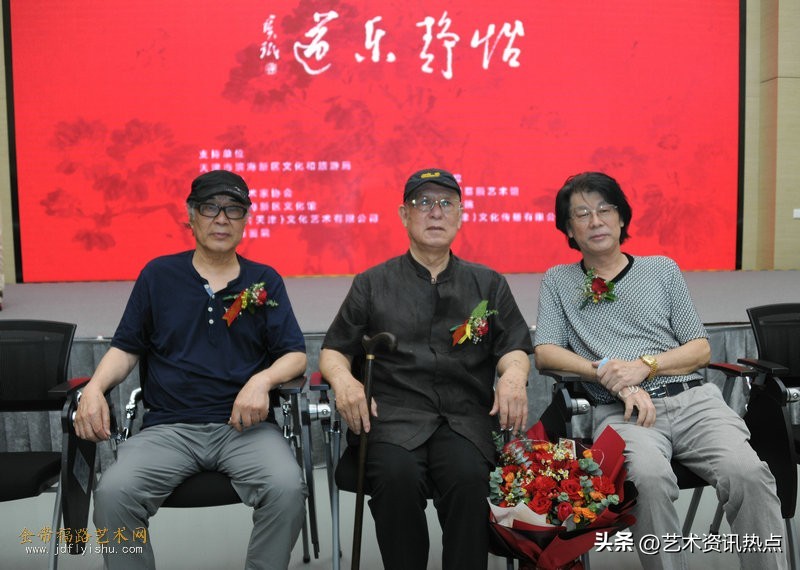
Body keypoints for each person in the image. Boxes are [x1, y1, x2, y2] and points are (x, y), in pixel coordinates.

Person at [533, 171, 786, 570]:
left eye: (605, 210)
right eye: (581, 214)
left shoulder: (661, 270)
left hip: (692, 401)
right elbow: (545, 352)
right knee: (647, 481)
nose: (595, 221)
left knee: (749, 474)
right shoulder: (559, 280)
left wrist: (645, 367)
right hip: (621, 412)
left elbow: (700, 348)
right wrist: (604, 371)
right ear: (568, 228)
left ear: (621, 218)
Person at [74, 170, 308, 570]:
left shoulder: (264, 279)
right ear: (190, 215)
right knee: (113, 495)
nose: (222, 219)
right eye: (210, 208)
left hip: (245, 429)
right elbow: (126, 348)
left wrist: (262, 380)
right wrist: (94, 388)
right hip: (169, 428)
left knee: (287, 489)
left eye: (234, 209)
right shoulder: (158, 276)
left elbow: (295, 355)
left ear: (247, 218)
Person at [319, 167, 533, 570]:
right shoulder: (372, 283)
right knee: (396, 479)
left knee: (470, 480)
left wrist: (515, 376)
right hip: (393, 419)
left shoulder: (488, 283)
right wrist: (344, 382)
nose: (436, 212)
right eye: (423, 203)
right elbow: (334, 350)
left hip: (463, 419)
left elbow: (514, 348)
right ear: (404, 215)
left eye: (446, 203)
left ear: (461, 215)